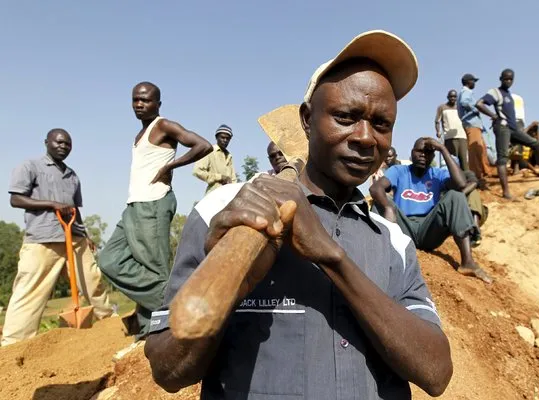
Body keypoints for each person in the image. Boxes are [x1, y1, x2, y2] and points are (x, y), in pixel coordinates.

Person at [144, 30, 453, 399]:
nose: (367, 137)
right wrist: (229, 290)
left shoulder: (394, 241)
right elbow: (168, 371)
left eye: (381, 124)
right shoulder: (227, 210)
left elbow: (436, 374)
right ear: (307, 119)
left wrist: (331, 256)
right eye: (346, 116)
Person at [99, 82, 212, 340]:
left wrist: (170, 166)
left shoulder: (162, 125)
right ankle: (177, 303)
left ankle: (154, 330)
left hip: (152, 204)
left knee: (153, 268)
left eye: (146, 100)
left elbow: (202, 145)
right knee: (109, 259)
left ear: (157, 104)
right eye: (135, 100)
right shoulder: (140, 134)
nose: (139, 104)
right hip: (134, 204)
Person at [2, 129, 112, 346]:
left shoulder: (72, 176)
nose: (63, 146)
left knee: (93, 283)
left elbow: (74, 209)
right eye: (59, 142)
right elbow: (16, 199)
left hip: (75, 238)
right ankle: (13, 344)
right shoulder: (30, 167)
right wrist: (52, 204)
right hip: (43, 238)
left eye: (68, 144)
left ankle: (110, 327)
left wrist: (85, 233)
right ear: (47, 143)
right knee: (30, 290)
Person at [370, 136, 492, 284]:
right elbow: (376, 188)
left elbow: (461, 184)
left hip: (429, 230)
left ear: (433, 156)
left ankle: (467, 262)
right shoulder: (399, 170)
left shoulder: (438, 174)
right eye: (419, 151)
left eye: (428, 152)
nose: (423, 155)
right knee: (380, 202)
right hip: (403, 228)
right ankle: (381, 257)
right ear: (412, 153)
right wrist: (389, 208)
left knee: (455, 196)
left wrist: (443, 149)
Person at [476, 69, 539, 199]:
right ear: (501, 79)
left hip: (513, 129)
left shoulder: (508, 94)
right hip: (502, 128)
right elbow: (479, 104)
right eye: (505, 79)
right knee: (502, 158)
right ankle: (506, 193)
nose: (508, 81)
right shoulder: (495, 92)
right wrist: (493, 115)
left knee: (537, 144)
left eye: (510, 79)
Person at [457, 73, 492, 185]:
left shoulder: (467, 92)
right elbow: (464, 102)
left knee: (481, 147)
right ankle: (476, 175)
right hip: (471, 124)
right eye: (473, 81)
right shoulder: (466, 92)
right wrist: (476, 108)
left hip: (475, 124)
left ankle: (486, 171)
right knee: (475, 149)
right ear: (468, 82)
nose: (474, 83)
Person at [193, 124, 238, 194]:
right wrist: (219, 177)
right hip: (214, 195)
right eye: (222, 137)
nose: (225, 140)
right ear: (216, 137)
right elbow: (197, 171)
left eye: (227, 139)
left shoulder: (229, 156)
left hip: (228, 195)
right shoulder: (209, 151)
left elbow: (233, 179)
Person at [436, 90, 468, 170]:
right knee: (451, 161)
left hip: (462, 136)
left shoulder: (460, 107)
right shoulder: (442, 107)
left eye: (454, 97)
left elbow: (466, 120)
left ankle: (466, 180)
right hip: (449, 138)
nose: (452, 98)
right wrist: (438, 132)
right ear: (448, 97)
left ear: (457, 98)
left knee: (464, 161)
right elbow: (437, 121)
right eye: (451, 96)